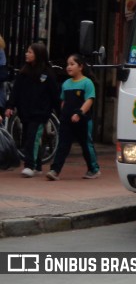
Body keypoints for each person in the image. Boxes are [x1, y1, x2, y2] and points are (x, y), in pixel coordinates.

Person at [4, 42, 60, 177]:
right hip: (25, 112)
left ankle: (29, 165)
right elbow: (16, 91)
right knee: (31, 137)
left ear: (38, 55)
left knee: (32, 137)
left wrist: (59, 111)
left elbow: (54, 94)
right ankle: (38, 165)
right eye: (27, 51)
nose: (27, 54)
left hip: (40, 113)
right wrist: (10, 106)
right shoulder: (24, 72)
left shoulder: (48, 73)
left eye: (30, 52)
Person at [46, 53, 100, 181]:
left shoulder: (87, 83)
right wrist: (63, 114)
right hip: (67, 121)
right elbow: (63, 101)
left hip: (83, 120)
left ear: (80, 66)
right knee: (62, 145)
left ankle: (94, 169)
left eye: (72, 64)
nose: (68, 67)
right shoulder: (66, 84)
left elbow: (89, 100)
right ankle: (55, 170)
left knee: (86, 145)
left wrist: (80, 113)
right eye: (67, 64)